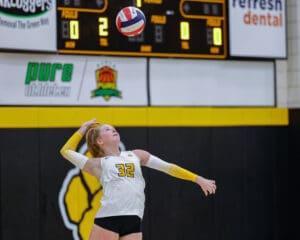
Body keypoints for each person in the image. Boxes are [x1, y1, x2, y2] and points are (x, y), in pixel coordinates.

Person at [60, 119, 217, 240]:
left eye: (113, 128)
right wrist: (83, 128)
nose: (113, 130)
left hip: (133, 218)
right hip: (109, 218)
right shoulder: (98, 163)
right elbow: (66, 151)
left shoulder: (136, 155)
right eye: (107, 129)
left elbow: (168, 167)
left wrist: (197, 179)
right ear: (99, 141)